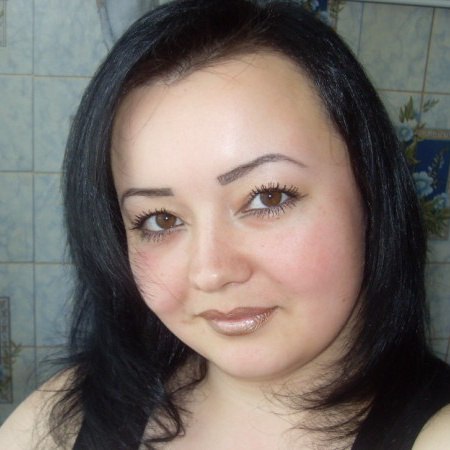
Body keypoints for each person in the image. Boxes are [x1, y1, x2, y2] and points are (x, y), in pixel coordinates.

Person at [1, 0, 450, 448]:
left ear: (371, 190)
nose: (211, 272)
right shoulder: (68, 416)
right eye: (161, 219)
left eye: (268, 197)